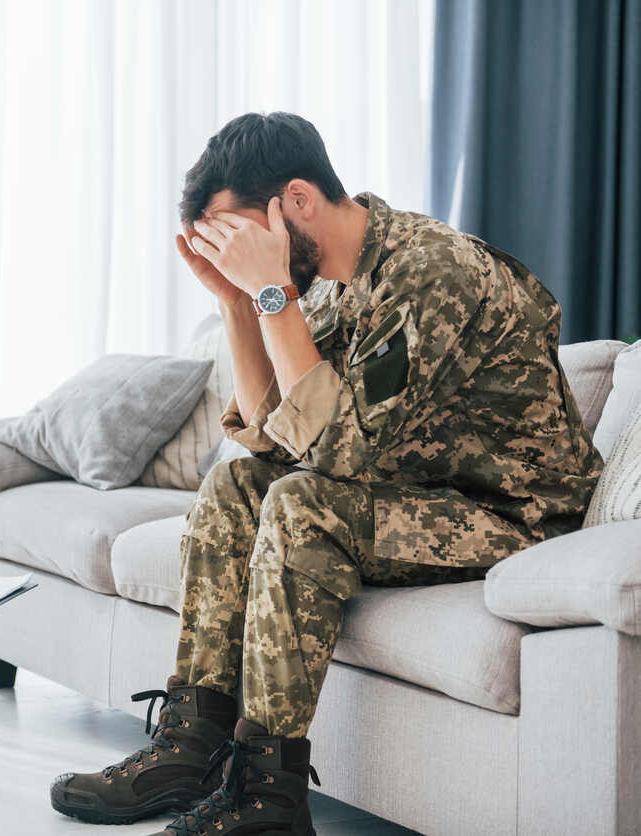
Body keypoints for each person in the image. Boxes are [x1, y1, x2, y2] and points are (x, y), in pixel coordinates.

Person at [49, 112, 603, 835]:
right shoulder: (338, 285)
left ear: (298, 202)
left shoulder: (430, 270)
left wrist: (272, 293)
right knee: (234, 487)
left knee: (303, 506)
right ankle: (189, 748)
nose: (241, 258)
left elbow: (339, 459)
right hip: (420, 495)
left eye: (241, 236)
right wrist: (237, 302)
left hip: (517, 517)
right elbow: (276, 443)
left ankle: (269, 801)